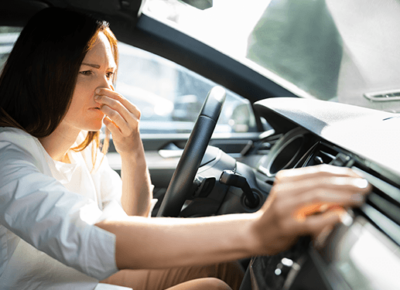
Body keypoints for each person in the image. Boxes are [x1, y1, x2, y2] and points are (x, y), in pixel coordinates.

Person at [0, 7, 370, 290]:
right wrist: (256, 230)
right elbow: (90, 234)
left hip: (88, 281)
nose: (107, 89)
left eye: (110, 74)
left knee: (219, 267)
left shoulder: (82, 150)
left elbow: (132, 220)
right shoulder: (8, 156)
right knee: (212, 286)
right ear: (43, 74)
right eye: (87, 72)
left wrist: (131, 150)